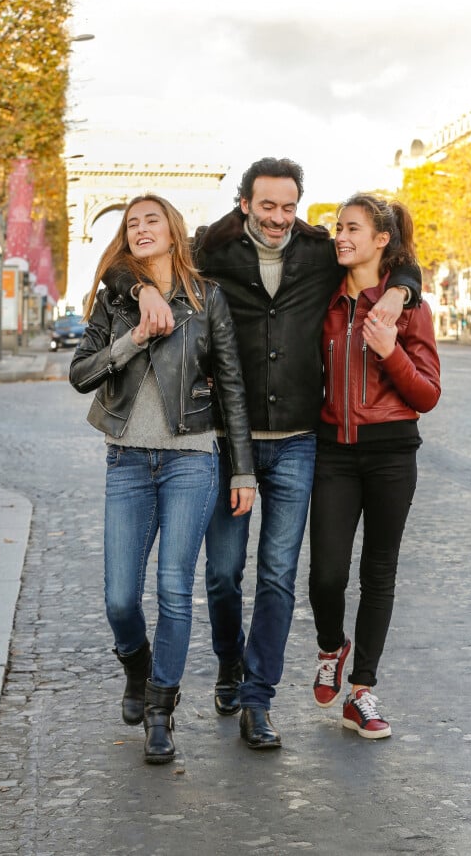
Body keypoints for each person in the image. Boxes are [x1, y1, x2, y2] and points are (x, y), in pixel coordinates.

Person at [101, 158, 422, 749]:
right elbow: (134, 256)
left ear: (298, 206)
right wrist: (141, 285)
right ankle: (228, 664)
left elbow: (393, 254)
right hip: (228, 440)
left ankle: (257, 698)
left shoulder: (322, 253)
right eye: (267, 205)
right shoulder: (211, 252)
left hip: (300, 440)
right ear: (244, 203)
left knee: (276, 577)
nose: (279, 217)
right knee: (222, 574)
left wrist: (402, 292)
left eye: (289, 206)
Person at [69, 194, 255, 765]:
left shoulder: (208, 299)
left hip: (192, 458)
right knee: (120, 598)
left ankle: (160, 708)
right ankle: (138, 666)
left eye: (152, 219)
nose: (142, 228)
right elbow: (81, 374)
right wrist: (134, 339)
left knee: (175, 587)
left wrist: (242, 467)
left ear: (173, 231)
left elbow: (231, 386)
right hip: (126, 461)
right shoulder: (114, 299)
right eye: (132, 223)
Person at [308, 193, 441, 739]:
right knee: (326, 574)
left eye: (352, 228)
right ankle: (330, 646)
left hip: (391, 452)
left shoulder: (410, 307)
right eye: (337, 227)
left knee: (378, 572)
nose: (340, 236)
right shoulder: (325, 297)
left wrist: (390, 350)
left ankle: (362, 691)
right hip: (334, 450)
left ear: (381, 239)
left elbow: (428, 394)